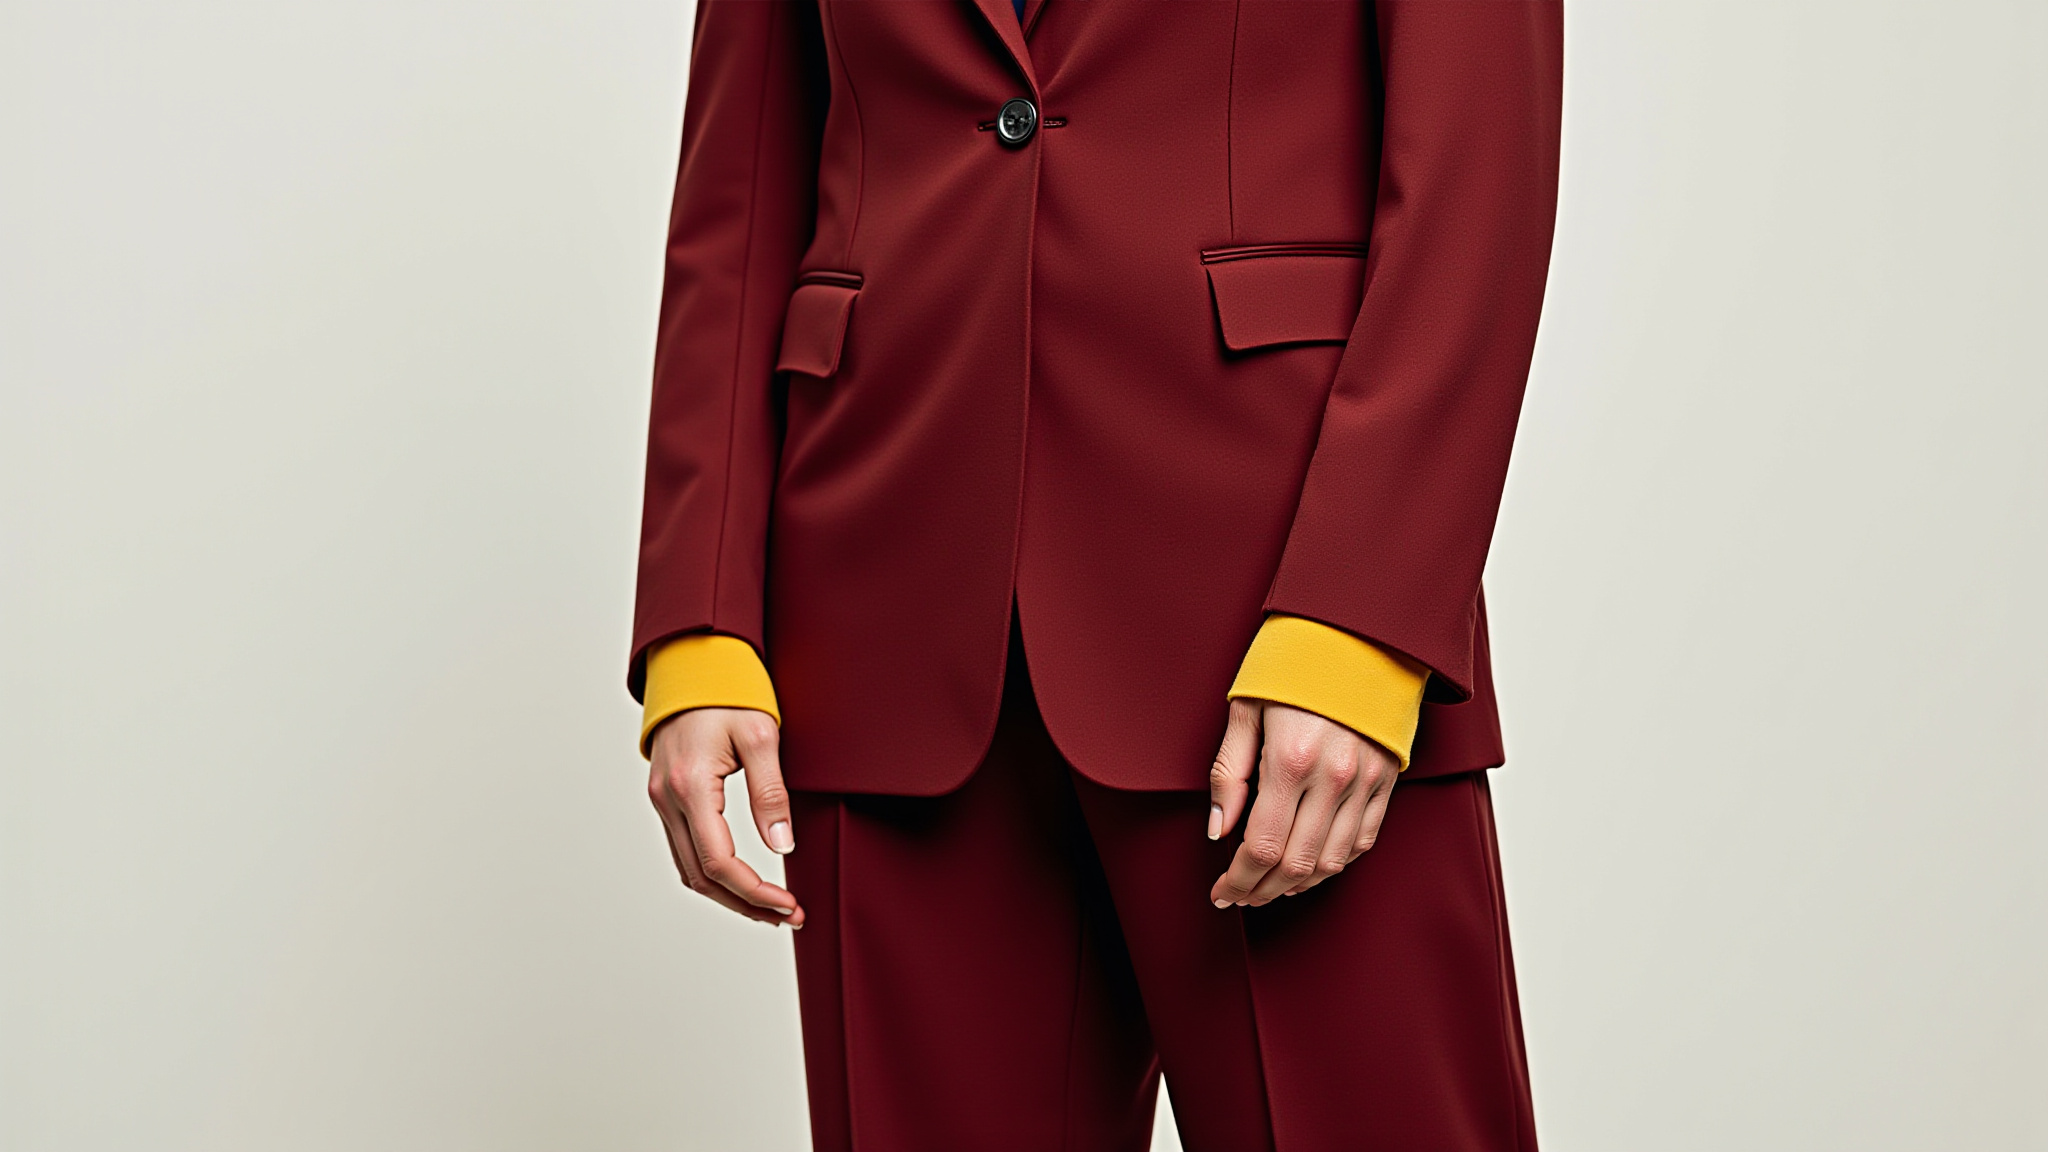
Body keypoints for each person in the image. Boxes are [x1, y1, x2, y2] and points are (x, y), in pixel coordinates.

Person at [629, 2, 1561, 1149]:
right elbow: (739, 184)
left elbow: (1477, 177)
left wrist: (1362, 618)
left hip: (1281, 621)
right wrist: (701, 619)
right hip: (883, 611)